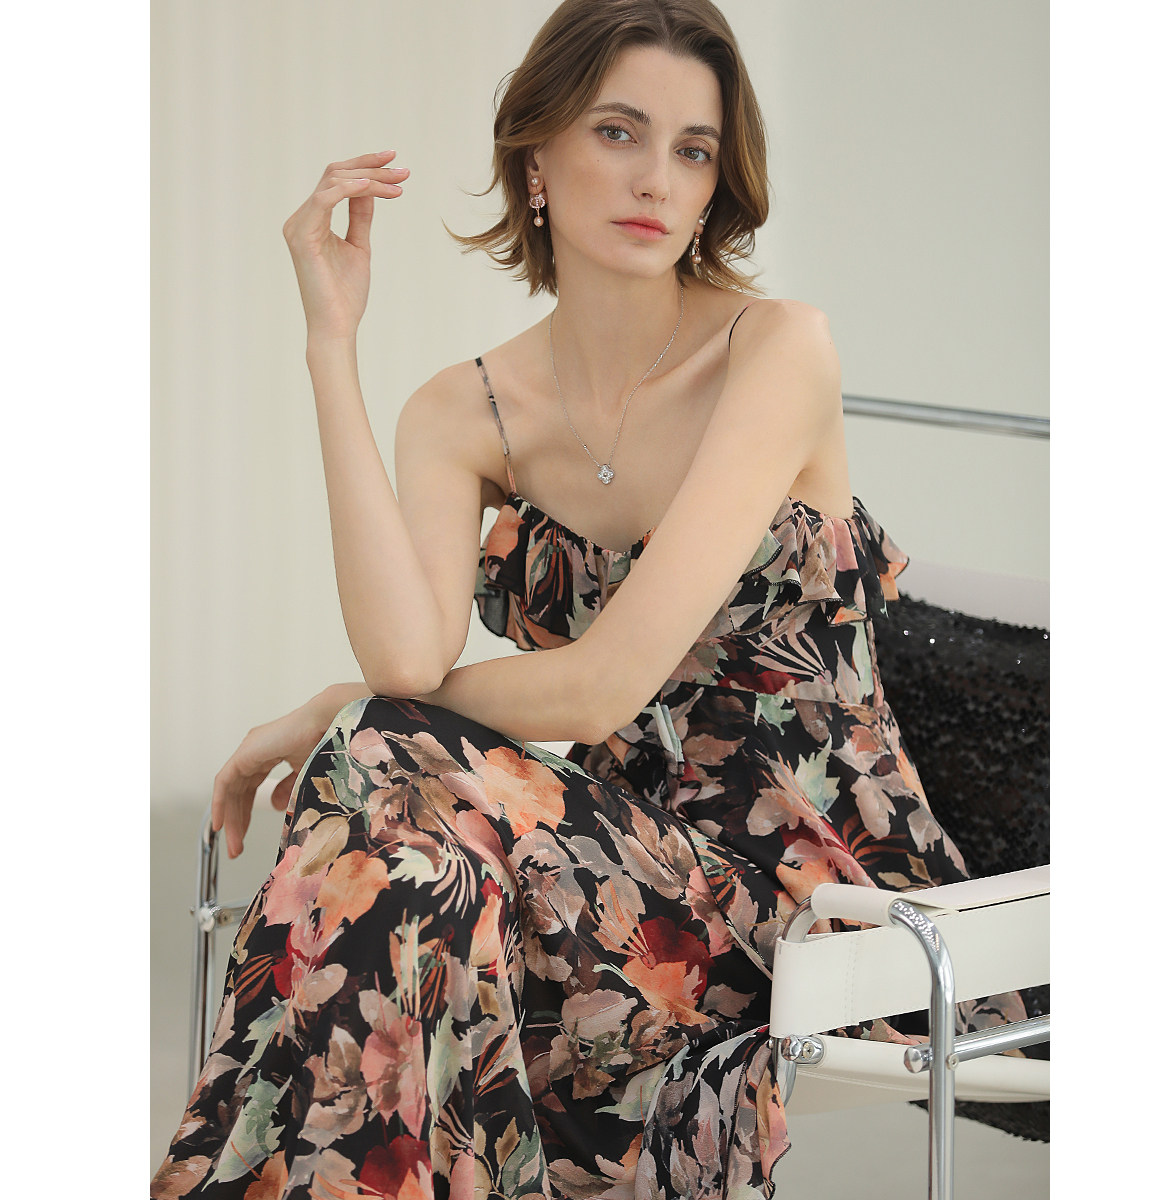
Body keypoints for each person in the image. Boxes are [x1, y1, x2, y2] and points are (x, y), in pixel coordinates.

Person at [152, 1, 1026, 1196]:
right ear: (536, 159)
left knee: (378, 761)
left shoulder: (778, 350)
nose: (657, 178)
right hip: (608, 865)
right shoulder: (462, 411)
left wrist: (329, 709)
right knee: (401, 851)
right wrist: (330, 342)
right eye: (619, 132)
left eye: (692, 149)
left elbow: (602, 684)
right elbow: (407, 659)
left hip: (816, 905)